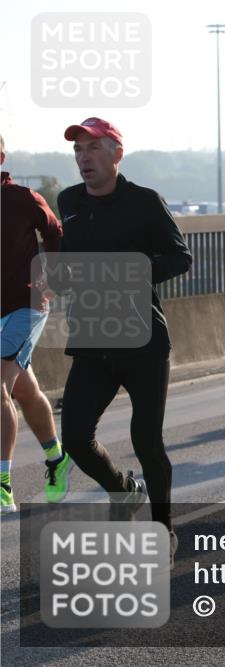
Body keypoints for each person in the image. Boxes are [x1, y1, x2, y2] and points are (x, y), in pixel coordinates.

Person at [56, 118, 191, 558]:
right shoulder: (69, 201)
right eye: (78, 150)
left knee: (147, 441)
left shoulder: (145, 202)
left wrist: (130, 274)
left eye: (92, 148)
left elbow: (179, 257)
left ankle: (163, 529)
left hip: (143, 341)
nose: (83, 158)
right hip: (93, 339)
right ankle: (123, 490)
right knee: (75, 437)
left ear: (116, 153)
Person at [1, 134, 68, 513]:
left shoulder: (22, 198)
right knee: (24, 391)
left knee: (0, 385)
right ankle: (58, 459)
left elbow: (55, 231)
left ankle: (2, 486)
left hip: (27, 306)